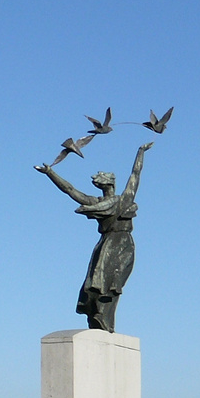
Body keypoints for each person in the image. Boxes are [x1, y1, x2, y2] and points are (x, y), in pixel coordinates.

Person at [35, 142, 153, 334]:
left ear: (109, 182)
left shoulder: (124, 200)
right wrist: (50, 173)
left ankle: (105, 318)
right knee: (94, 283)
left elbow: (135, 175)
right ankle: (97, 316)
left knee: (111, 282)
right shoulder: (96, 202)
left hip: (122, 244)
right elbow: (70, 190)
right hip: (105, 243)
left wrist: (140, 152)